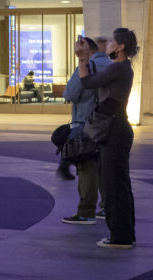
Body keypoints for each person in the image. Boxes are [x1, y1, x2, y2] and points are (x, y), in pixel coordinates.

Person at [78, 27, 139, 249]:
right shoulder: (121, 68)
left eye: (112, 41)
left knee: (114, 185)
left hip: (114, 130)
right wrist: (84, 59)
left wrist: (83, 60)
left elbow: (87, 83)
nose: (108, 44)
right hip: (115, 128)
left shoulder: (119, 68)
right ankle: (123, 234)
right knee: (117, 184)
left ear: (121, 47)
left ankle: (120, 237)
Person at [60, 34, 109, 223]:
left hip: (85, 124)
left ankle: (86, 211)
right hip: (107, 123)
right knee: (105, 168)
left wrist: (81, 60)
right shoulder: (112, 66)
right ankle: (107, 206)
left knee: (87, 169)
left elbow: (70, 93)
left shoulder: (86, 66)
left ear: (86, 49)